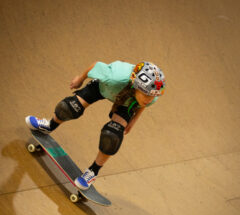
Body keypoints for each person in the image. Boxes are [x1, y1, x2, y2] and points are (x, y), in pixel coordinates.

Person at [25, 61, 165, 190]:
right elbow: (95, 65)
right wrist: (80, 78)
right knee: (68, 108)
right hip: (103, 88)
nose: (150, 99)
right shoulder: (114, 77)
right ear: (136, 86)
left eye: (152, 96)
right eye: (147, 95)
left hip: (128, 102)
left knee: (112, 136)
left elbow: (142, 105)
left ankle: (93, 171)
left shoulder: (152, 93)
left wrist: (133, 121)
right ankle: (49, 125)